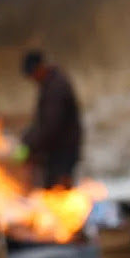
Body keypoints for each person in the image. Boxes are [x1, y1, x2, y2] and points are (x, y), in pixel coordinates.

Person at [18, 50, 83, 189]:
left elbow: (50, 126)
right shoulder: (49, 85)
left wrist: (29, 145)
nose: (32, 79)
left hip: (62, 152)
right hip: (56, 152)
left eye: (33, 73)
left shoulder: (56, 88)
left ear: (40, 68)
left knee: (59, 191)